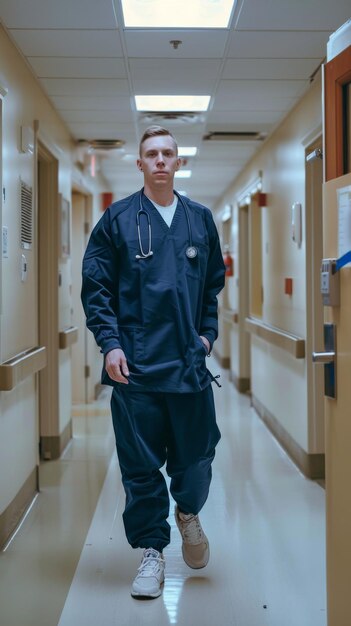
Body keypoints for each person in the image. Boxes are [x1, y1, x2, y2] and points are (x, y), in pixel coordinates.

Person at [81, 125, 225, 599]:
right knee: (140, 468)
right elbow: (97, 288)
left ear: (178, 162)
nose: (160, 160)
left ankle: (187, 512)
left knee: (197, 459)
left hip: (187, 365)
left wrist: (206, 337)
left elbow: (211, 291)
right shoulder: (117, 220)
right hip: (136, 371)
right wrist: (110, 344)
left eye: (168, 153)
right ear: (139, 163)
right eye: (151, 154)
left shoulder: (199, 219)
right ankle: (152, 552)